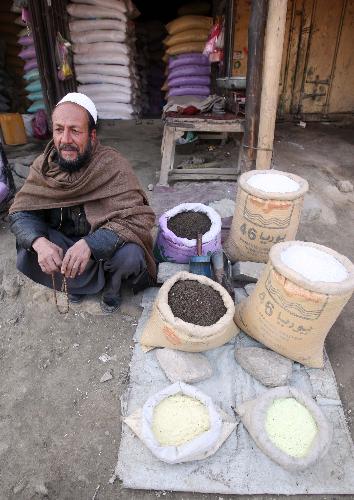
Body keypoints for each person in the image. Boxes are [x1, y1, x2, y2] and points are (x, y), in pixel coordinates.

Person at [9, 92, 156, 313]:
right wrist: (40, 243)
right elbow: (21, 212)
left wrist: (91, 244)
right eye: (59, 129)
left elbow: (138, 218)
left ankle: (112, 289)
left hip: (103, 249)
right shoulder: (44, 166)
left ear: (92, 135)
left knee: (132, 255)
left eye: (75, 131)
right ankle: (72, 282)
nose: (65, 140)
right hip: (63, 245)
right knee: (27, 242)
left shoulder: (112, 166)